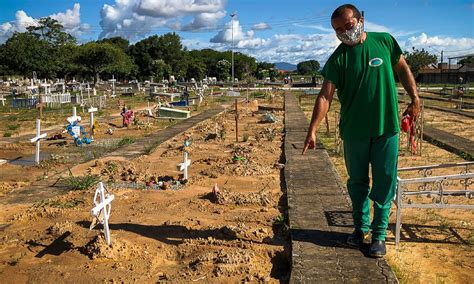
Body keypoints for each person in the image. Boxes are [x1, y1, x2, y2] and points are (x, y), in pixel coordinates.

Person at [302, 4, 420, 258]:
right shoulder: (338, 59)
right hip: (354, 132)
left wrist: (415, 98)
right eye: (338, 30)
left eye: (348, 25)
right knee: (357, 183)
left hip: (385, 127)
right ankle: (360, 229)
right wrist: (313, 129)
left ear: (361, 19)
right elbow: (325, 96)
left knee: (385, 182)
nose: (345, 32)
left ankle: (378, 236)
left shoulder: (385, 42)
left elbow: (402, 68)